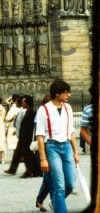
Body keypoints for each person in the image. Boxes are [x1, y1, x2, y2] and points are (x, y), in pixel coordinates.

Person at [36, 80, 79, 213]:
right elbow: (40, 136)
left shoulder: (68, 108)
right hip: (52, 147)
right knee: (59, 185)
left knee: (71, 184)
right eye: (66, 92)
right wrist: (43, 159)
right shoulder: (43, 110)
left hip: (66, 147)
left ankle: (55, 201)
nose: (69, 95)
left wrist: (75, 151)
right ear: (57, 93)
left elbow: (71, 131)